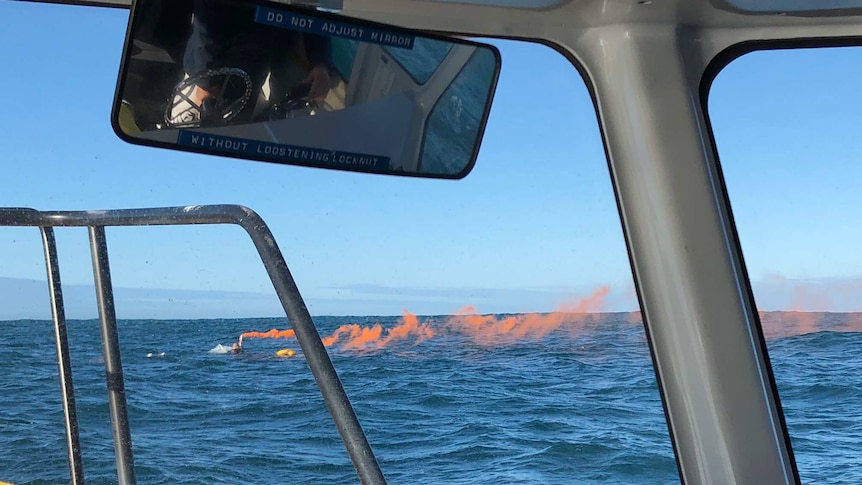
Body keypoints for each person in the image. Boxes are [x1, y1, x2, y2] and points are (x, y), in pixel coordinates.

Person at [168, 0, 333, 127]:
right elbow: (206, 18)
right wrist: (204, 82)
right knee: (186, 126)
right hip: (216, 53)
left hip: (266, 49)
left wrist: (321, 63)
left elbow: (316, 11)